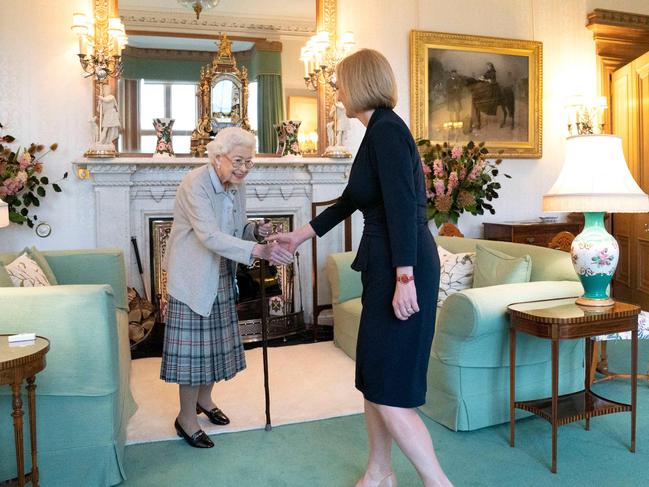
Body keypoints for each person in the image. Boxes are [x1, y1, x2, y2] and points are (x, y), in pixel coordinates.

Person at [270, 49, 452, 487]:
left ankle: (438, 482)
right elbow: (353, 200)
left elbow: (405, 207)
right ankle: (380, 471)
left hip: (400, 266)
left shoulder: (387, 131)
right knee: (374, 377)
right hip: (384, 265)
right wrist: (300, 235)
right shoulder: (375, 133)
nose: (336, 90)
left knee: (389, 388)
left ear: (360, 83)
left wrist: (404, 277)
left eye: (340, 82)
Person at [160, 127, 293, 449]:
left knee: (214, 348)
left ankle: (205, 401)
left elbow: (233, 229)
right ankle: (186, 419)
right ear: (217, 157)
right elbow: (208, 236)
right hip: (193, 275)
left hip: (220, 271)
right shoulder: (195, 183)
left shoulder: (236, 185)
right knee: (193, 355)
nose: (244, 168)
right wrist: (258, 251)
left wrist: (253, 231)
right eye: (238, 161)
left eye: (249, 162)